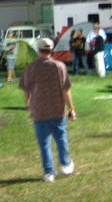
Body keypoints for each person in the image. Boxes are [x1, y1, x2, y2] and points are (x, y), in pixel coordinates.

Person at [19, 38, 76, 182]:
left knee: (44, 143)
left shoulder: (31, 68)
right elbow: (66, 89)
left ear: (38, 50)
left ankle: (49, 172)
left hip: (39, 111)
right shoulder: (59, 66)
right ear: (52, 50)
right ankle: (65, 164)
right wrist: (71, 108)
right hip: (57, 109)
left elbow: (26, 89)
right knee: (61, 138)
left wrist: (28, 104)